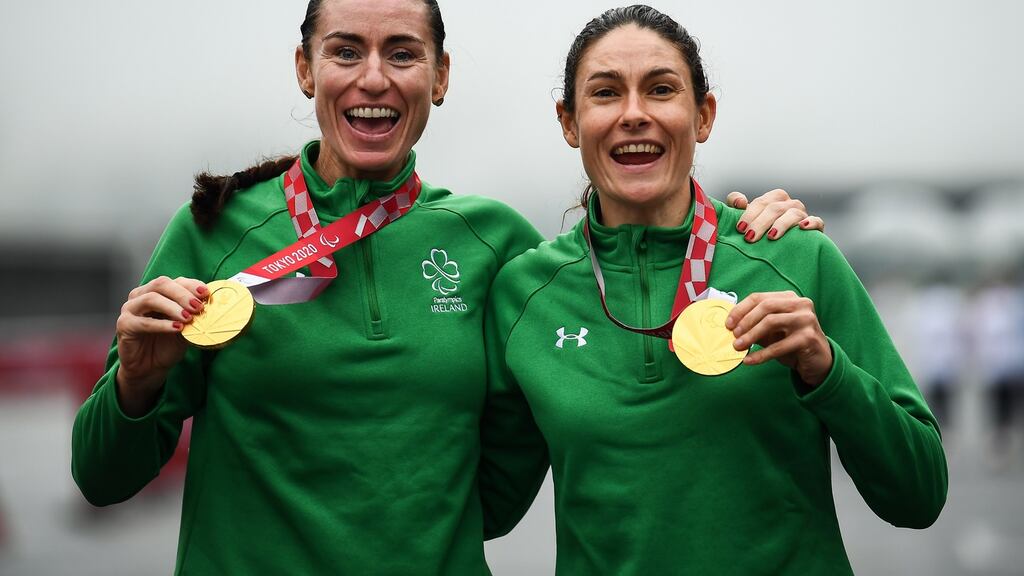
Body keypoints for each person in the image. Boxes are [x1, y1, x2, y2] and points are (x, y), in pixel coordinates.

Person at [71, 0, 820, 573]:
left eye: (402, 53)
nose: (373, 78)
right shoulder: (213, 232)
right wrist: (134, 385)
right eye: (345, 51)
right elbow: (102, 478)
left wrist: (748, 224)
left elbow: (510, 469)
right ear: (305, 69)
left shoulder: (495, 245)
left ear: (440, 75)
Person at [483, 5, 948, 575]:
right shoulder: (524, 294)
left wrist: (828, 371)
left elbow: (919, 495)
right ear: (569, 121)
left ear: (702, 116)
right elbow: (483, 509)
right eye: (605, 93)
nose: (634, 114)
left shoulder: (795, 257)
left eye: (661, 89)